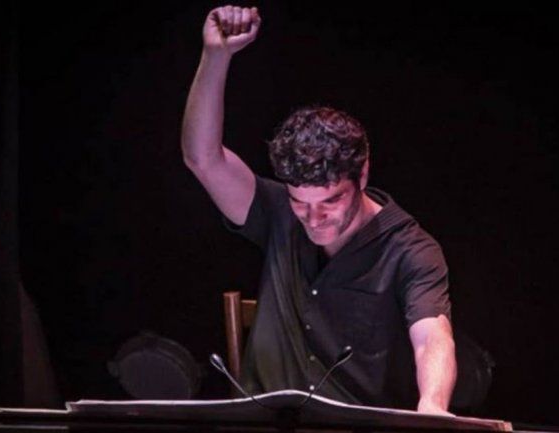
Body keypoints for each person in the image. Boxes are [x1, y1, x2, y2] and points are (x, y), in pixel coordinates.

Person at [181, 5, 456, 414]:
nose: (313, 218)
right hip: (262, 420)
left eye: (330, 201)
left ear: (362, 174)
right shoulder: (277, 211)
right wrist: (215, 55)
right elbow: (202, 158)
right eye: (300, 203)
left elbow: (432, 337)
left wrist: (432, 406)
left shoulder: (411, 250)